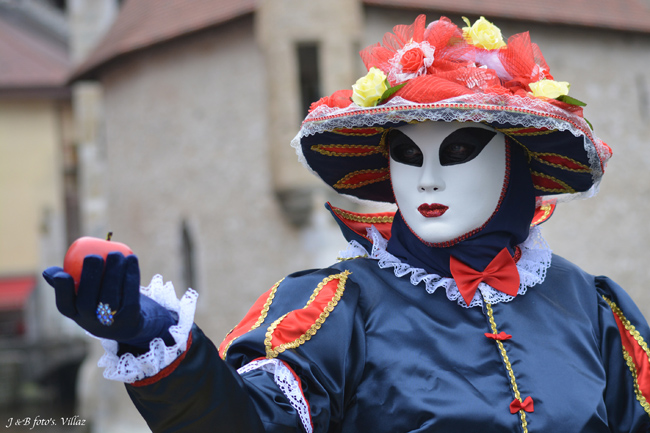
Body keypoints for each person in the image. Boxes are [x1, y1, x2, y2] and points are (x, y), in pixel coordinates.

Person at [43, 15, 650, 432]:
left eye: (459, 152)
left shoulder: (590, 309)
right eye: (406, 156)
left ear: (515, 166)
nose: (426, 181)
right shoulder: (336, 310)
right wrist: (156, 345)